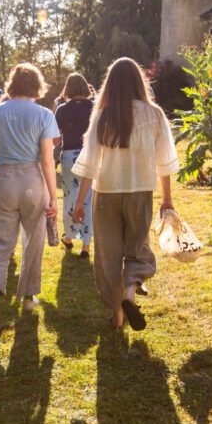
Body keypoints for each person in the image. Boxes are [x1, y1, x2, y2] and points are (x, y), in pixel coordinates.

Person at [71, 57, 179, 331]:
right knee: (138, 246)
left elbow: (90, 162)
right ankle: (131, 292)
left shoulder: (102, 115)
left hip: (106, 193)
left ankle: (118, 315)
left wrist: (79, 201)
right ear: (138, 82)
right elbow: (165, 161)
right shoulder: (154, 114)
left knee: (108, 254)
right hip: (140, 190)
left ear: (111, 85)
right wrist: (167, 199)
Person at [0, 63, 59, 332]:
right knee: (34, 239)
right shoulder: (44, 114)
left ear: (12, 84)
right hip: (33, 179)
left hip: (3, 178)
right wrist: (53, 197)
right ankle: (27, 296)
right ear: (37, 86)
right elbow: (48, 161)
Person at [54, 72, 94, 258]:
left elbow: (56, 139)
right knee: (88, 198)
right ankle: (86, 245)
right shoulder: (94, 107)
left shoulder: (62, 109)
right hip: (90, 155)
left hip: (69, 156)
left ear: (67, 89)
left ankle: (69, 237)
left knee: (70, 198)